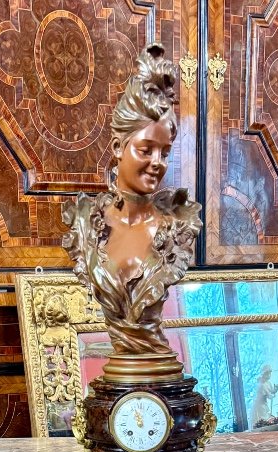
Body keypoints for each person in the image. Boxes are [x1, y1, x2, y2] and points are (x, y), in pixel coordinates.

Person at [62, 44, 202, 360]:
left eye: (164, 153)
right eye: (145, 149)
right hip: (120, 373)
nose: (157, 162)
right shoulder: (88, 223)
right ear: (117, 146)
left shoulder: (177, 224)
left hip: (160, 368)